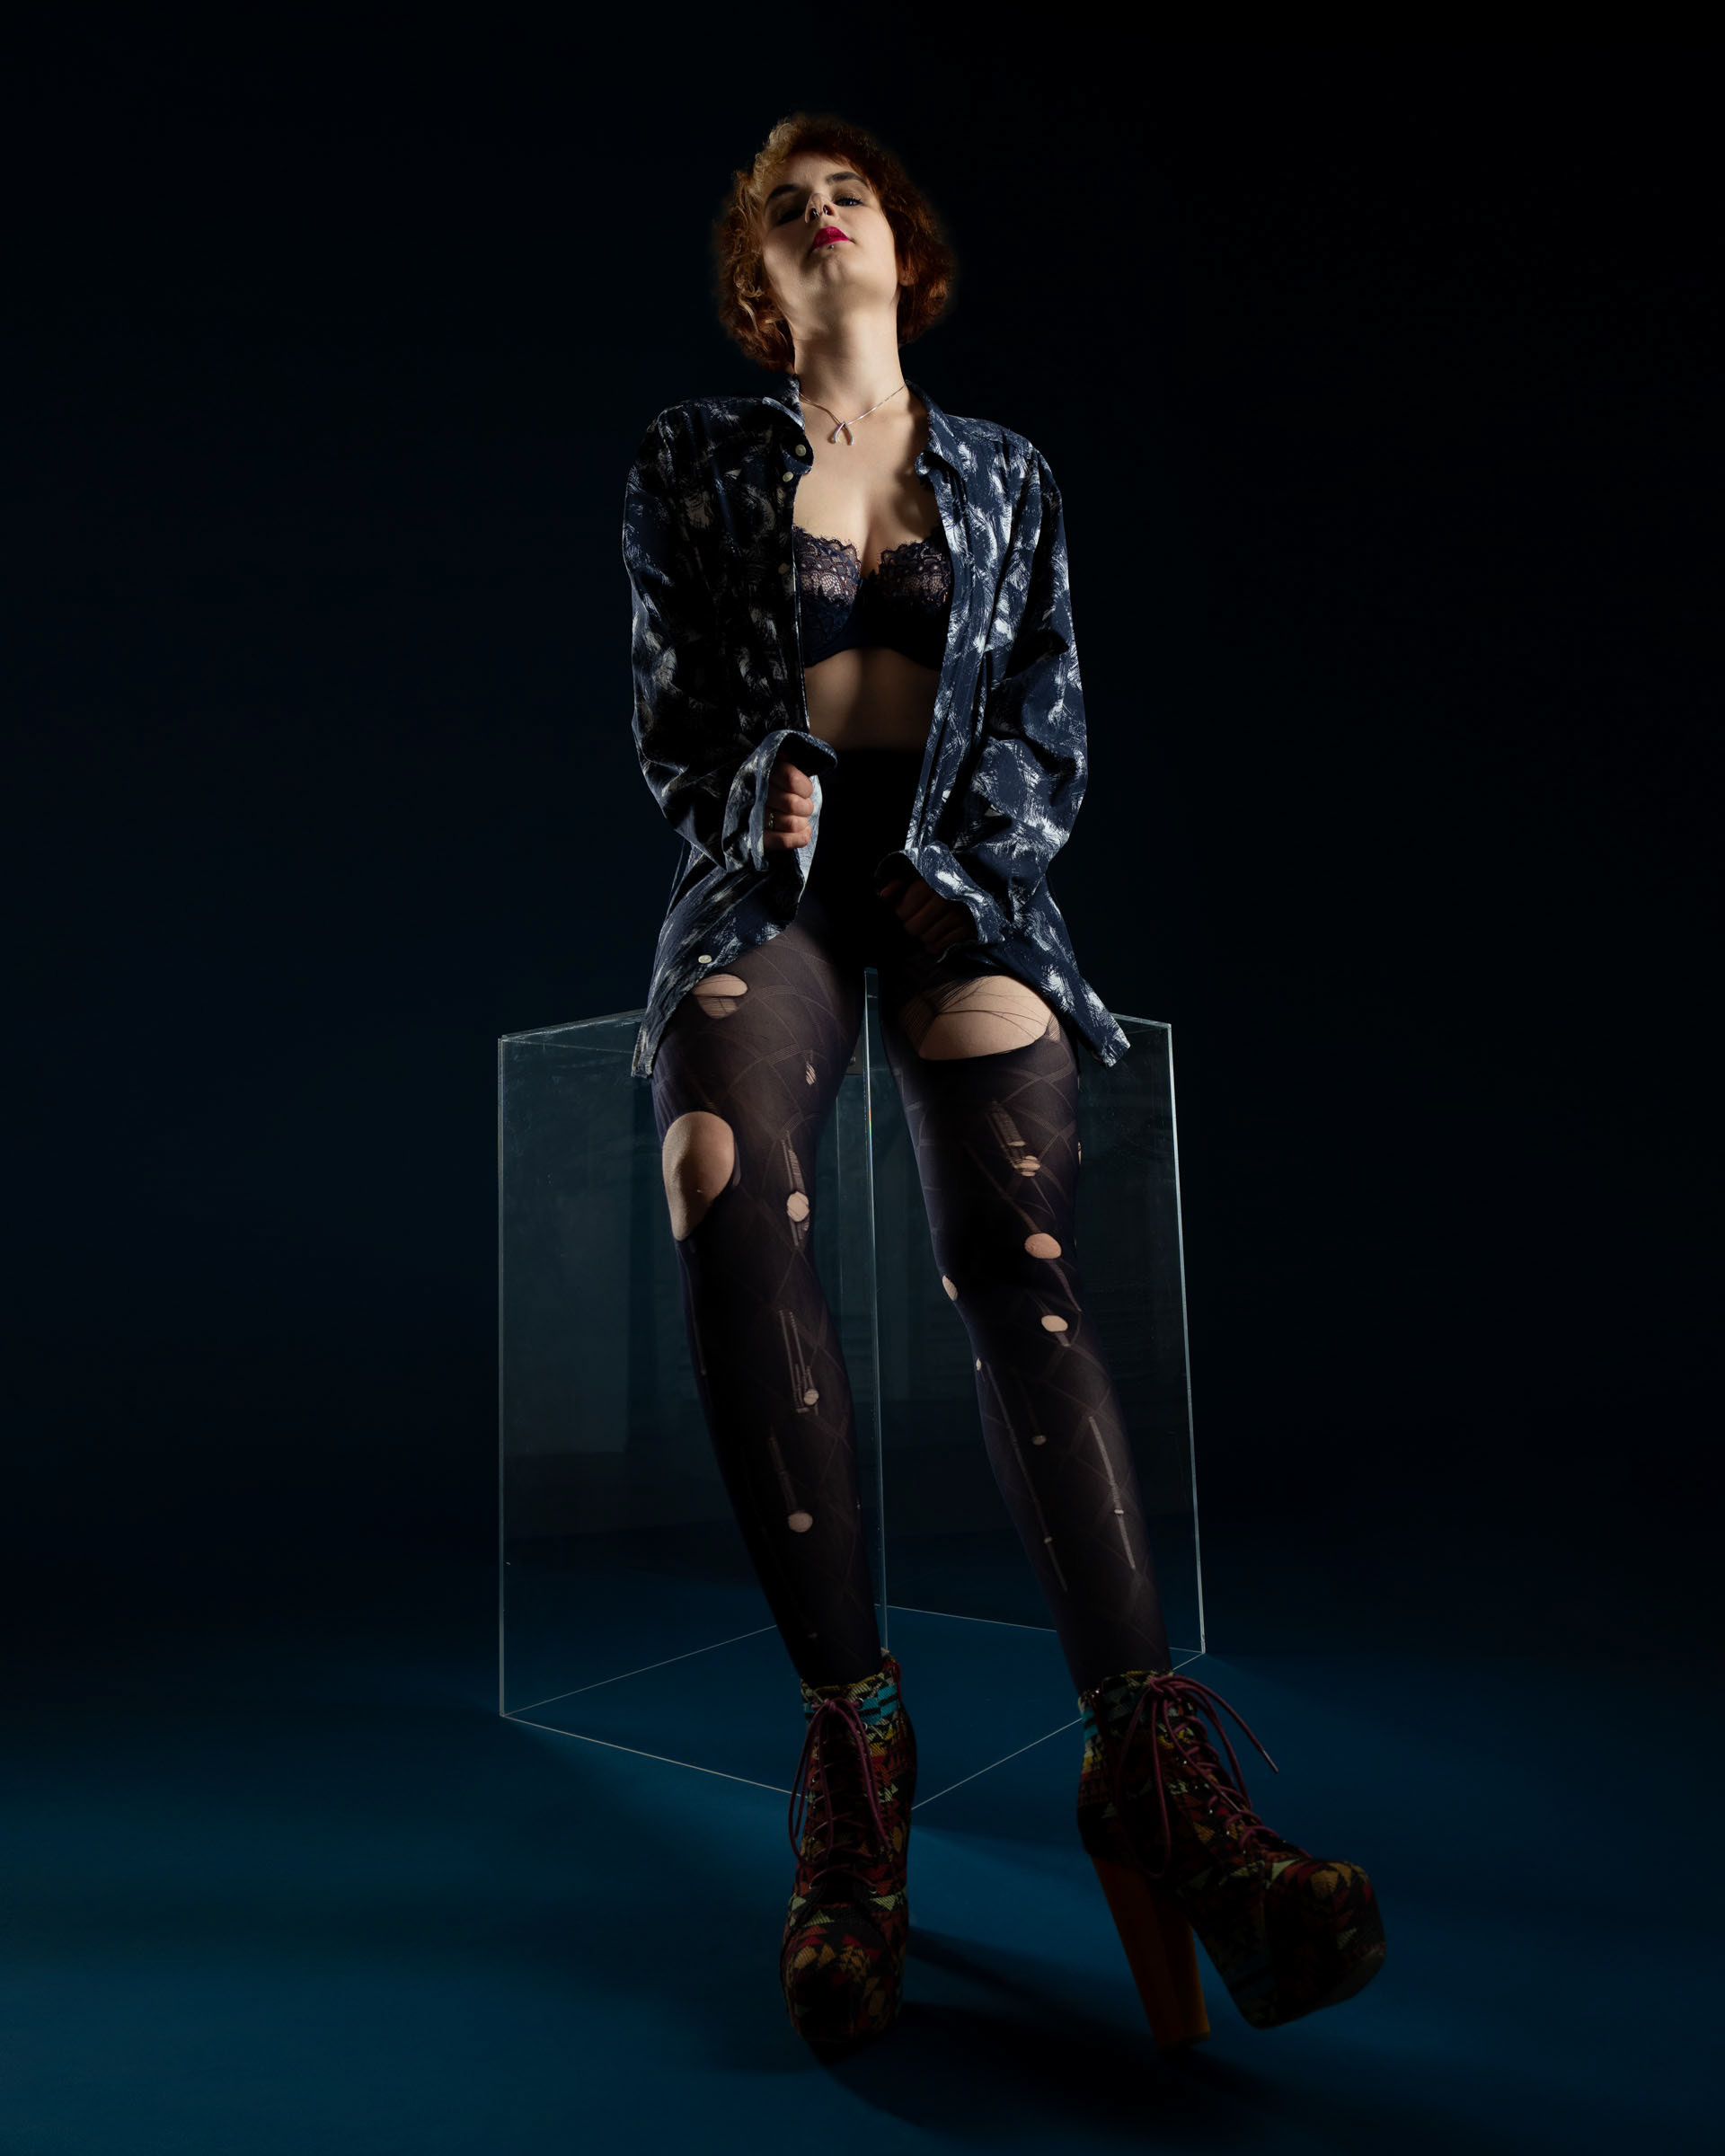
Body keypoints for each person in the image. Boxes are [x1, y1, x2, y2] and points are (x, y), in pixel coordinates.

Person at [622, 110, 1385, 2055]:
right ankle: (857, 1766)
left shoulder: (1011, 476)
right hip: (772, 894)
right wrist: (752, 794)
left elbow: (1044, 738)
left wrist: (956, 883)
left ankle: (1159, 1782)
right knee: (717, 1158)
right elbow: (669, 722)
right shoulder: (694, 466)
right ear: (757, 288)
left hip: (961, 886)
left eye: (846, 191)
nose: (821, 212)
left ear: (901, 250)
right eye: (783, 208)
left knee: (1015, 1246)